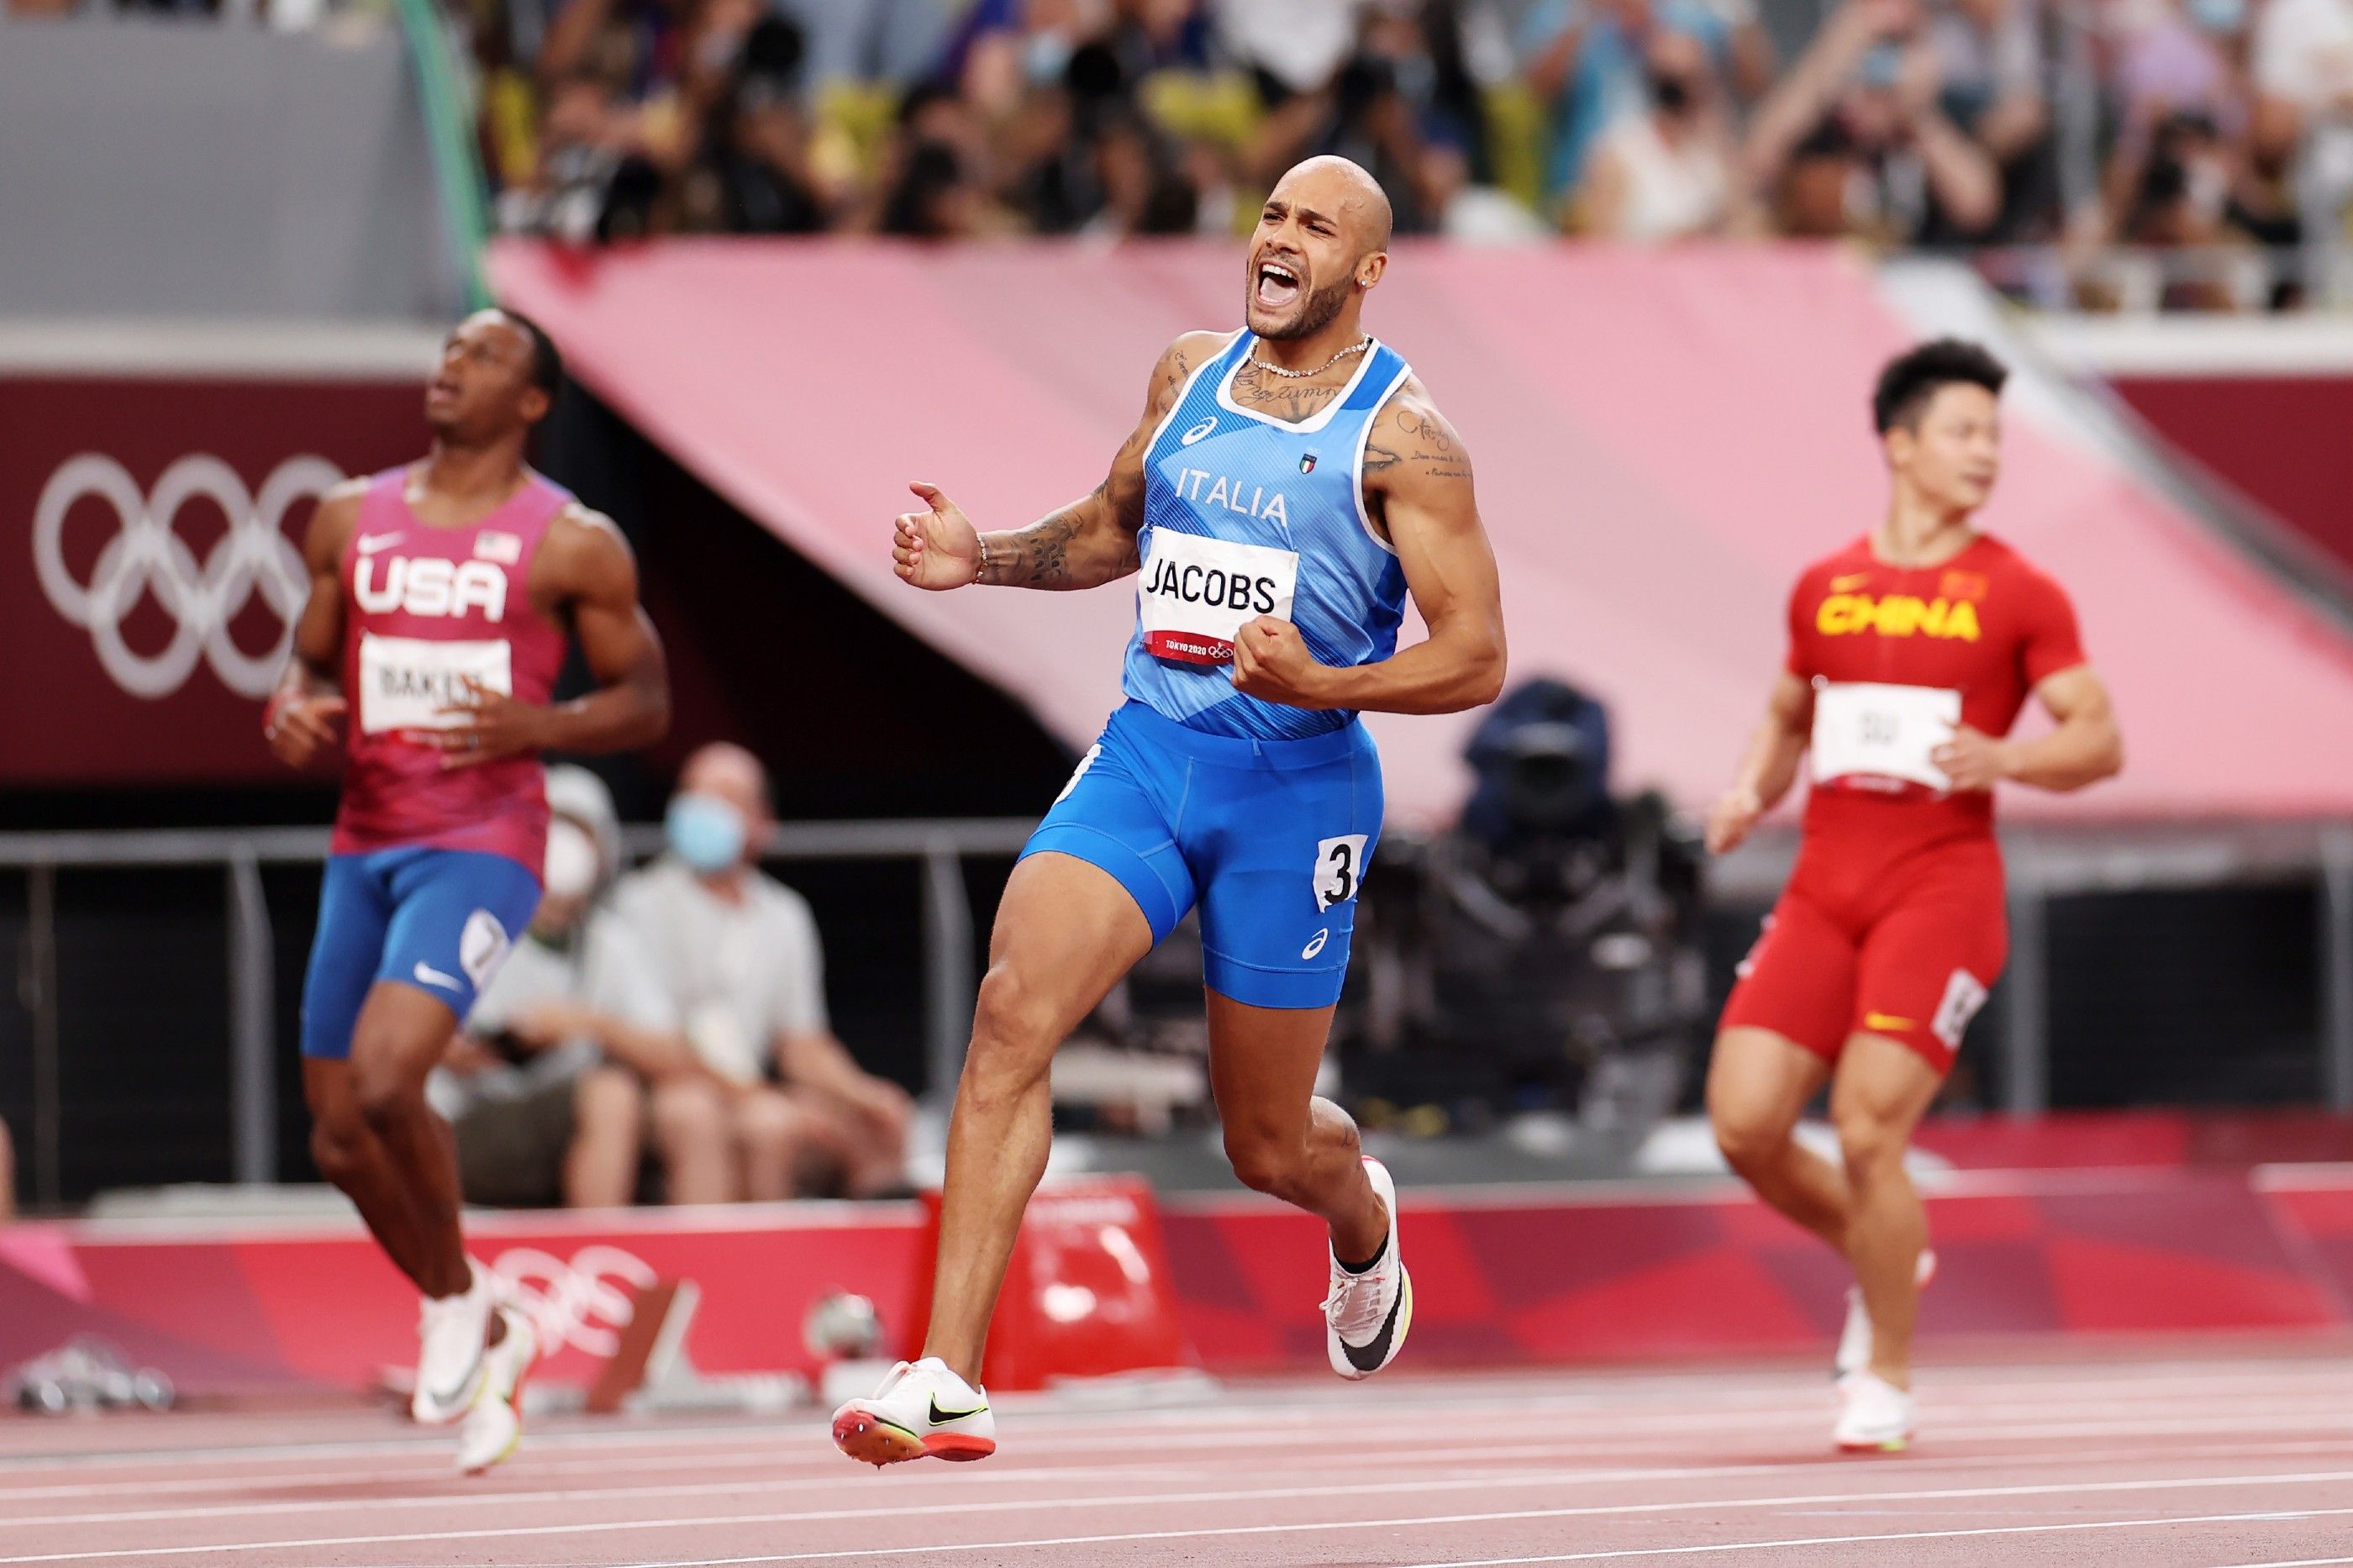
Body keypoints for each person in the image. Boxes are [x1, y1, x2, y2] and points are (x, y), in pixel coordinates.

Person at [834, 154, 1507, 1466]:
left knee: (1262, 1140)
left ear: (1366, 271)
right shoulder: (1188, 374)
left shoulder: (1406, 439)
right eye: (1271, 215)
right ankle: (949, 1374)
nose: (1279, 240)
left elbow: (1476, 651)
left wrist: (1332, 677)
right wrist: (987, 560)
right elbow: (1112, 529)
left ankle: (1357, 1213)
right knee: (1010, 1015)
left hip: (1298, 787)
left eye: (1316, 228)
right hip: (1151, 752)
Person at [264, 308, 670, 1473]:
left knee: (391, 1080)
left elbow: (645, 703)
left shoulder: (572, 541)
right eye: (449, 349)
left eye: (484, 355)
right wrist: (291, 703)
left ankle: (449, 1306)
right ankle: (480, 1307)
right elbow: (305, 656)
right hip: (366, 840)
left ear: (533, 401)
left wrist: (539, 724)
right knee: (340, 1136)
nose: (452, 365)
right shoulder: (350, 515)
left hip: (485, 840)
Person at [1703, 339, 2122, 1453]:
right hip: (1824, 884)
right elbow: (1789, 711)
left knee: (1865, 1127)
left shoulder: (2020, 589)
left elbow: (2098, 736)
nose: (1985, 453)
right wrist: (1750, 788)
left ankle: (1882, 1374)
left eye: (1994, 434)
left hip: (1940, 890)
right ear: (1900, 444)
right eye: (1963, 431)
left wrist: (2011, 759)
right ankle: (1883, 1245)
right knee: (1743, 1121)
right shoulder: (1825, 584)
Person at [609, 743, 915, 1204]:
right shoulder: (638, 904)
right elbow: (654, 1044)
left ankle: (854, 1264)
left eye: (725, 795)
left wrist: (864, 1094)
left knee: (875, 1119)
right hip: (668, 1086)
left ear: (762, 823)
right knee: (710, 1115)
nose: (703, 807)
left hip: (753, 1087)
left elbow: (799, 1042)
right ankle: (712, 1268)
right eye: (693, 792)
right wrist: (753, 1096)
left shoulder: (784, 914)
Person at [433, 766, 673, 1210]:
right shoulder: (473, 923)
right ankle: (599, 1253)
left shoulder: (612, 941)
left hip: (564, 1126)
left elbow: (671, 1053)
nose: (562, 847)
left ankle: (611, 1260)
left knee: (637, 1098)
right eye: (548, 828)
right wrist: (468, 1050)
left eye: (578, 833)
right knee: (611, 1094)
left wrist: (584, 1024)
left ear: (604, 850)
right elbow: (411, 1032)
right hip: (470, 1123)